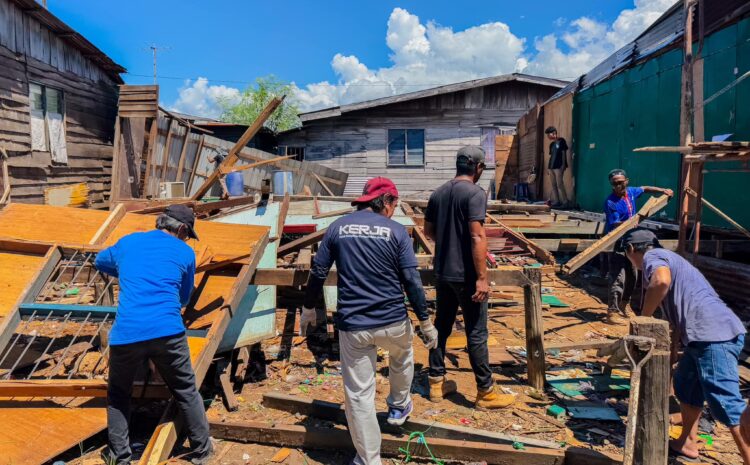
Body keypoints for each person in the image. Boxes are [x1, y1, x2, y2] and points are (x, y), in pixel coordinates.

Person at [301, 177, 438, 465]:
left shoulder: (338, 227)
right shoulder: (397, 232)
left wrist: (309, 308)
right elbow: (411, 281)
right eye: (394, 204)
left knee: (359, 395)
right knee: (403, 356)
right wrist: (425, 321)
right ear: (386, 201)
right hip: (393, 321)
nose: (394, 209)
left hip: (355, 325)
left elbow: (318, 271)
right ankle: (399, 406)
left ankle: (368, 459)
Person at [95, 205, 213, 465]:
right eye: (186, 234)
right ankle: (202, 451)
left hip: (127, 334)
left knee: (118, 394)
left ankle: (120, 457)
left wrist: (128, 271)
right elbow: (183, 297)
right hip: (167, 332)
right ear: (182, 229)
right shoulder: (185, 251)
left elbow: (99, 260)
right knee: (185, 389)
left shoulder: (129, 242)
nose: (185, 239)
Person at [621, 228, 750, 463]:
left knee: (724, 400)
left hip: (713, 335)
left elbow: (661, 282)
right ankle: (687, 442)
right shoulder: (671, 259)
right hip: (704, 335)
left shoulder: (654, 257)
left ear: (631, 250)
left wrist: (644, 317)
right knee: (687, 386)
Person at [424, 146, 515, 409]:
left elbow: (428, 231)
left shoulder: (439, 193)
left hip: (443, 272)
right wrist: (482, 278)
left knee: (442, 325)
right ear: (477, 168)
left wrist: (449, 242)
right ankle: (485, 392)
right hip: (466, 275)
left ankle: (436, 382)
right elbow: (477, 235)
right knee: (476, 331)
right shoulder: (475, 193)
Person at [604, 169, 673, 323]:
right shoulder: (611, 202)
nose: (618, 186)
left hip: (631, 240)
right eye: (614, 184)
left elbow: (645, 188)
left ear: (626, 181)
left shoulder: (631, 192)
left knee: (633, 276)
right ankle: (612, 312)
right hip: (616, 240)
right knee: (618, 276)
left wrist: (663, 190)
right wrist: (629, 222)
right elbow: (614, 223)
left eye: (620, 183)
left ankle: (624, 304)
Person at [545, 126, 570, 208]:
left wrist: (563, 165)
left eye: (549, 135)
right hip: (551, 167)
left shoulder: (561, 141)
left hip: (559, 167)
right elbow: (551, 156)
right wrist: (548, 168)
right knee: (553, 184)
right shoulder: (551, 144)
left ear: (554, 133)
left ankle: (565, 202)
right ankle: (557, 201)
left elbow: (563, 153)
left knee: (560, 184)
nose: (548, 137)